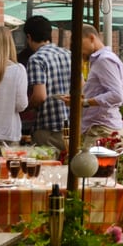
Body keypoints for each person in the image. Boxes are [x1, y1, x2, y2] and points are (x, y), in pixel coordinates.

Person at [73, 24, 123, 150]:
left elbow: (117, 95)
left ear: (91, 38)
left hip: (102, 130)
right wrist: (80, 98)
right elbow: (121, 98)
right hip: (103, 128)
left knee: (88, 169)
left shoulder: (104, 60)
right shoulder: (104, 59)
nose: (79, 49)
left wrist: (85, 102)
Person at [24, 16, 71, 153]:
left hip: (48, 128)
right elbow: (82, 87)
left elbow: (40, 97)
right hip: (71, 127)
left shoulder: (36, 59)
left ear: (29, 37)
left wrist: (24, 108)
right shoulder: (69, 54)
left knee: (46, 169)